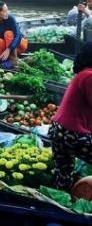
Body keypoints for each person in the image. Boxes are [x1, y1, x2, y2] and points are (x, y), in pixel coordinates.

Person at [48, 43, 92, 190]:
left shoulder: (83, 74)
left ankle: (59, 204)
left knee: (64, 173)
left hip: (58, 131)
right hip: (71, 133)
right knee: (64, 171)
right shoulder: (89, 76)